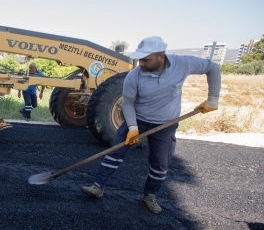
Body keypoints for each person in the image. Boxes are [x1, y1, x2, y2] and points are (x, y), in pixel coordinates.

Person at [80, 36, 221, 214]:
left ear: (161, 56)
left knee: (160, 163)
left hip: (166, 124)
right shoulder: (134, 75)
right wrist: (132, 127)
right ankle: (97, 187)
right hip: (138, 119)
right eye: (140, 58)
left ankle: (149, 196)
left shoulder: (183, 64)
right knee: (115, 152)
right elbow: (127, 103)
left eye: (146, 59)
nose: (142, 63)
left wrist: (213, 98)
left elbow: (213, 68)